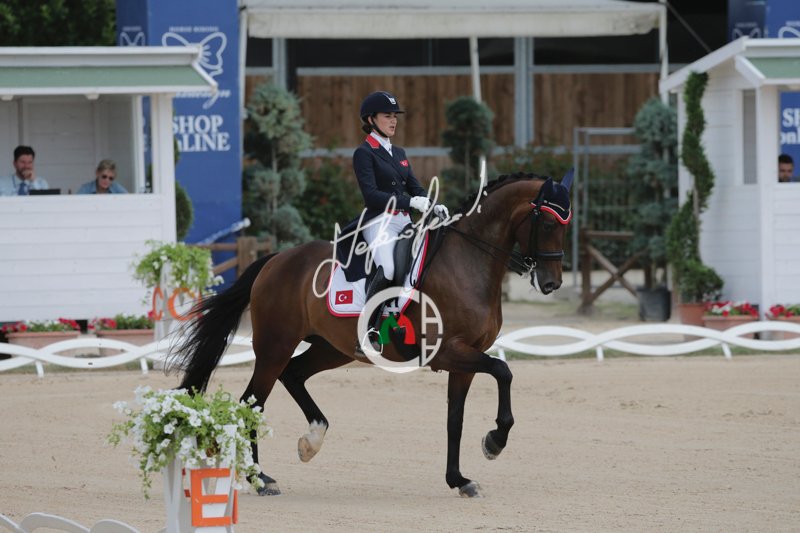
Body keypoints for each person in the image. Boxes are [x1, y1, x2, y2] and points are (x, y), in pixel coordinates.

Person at [353, 90, 448, 329]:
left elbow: (415, 187)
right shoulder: (364, 153)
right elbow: (371, 195)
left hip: (404, 222)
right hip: (379, 222)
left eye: (395, 116)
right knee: (388, 269)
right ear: (371, 119)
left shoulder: (399, 153)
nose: (393, 120)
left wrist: (433, 205)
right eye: (387, 116)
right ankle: (370, 327)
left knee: (425, 263)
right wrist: (409, 203)